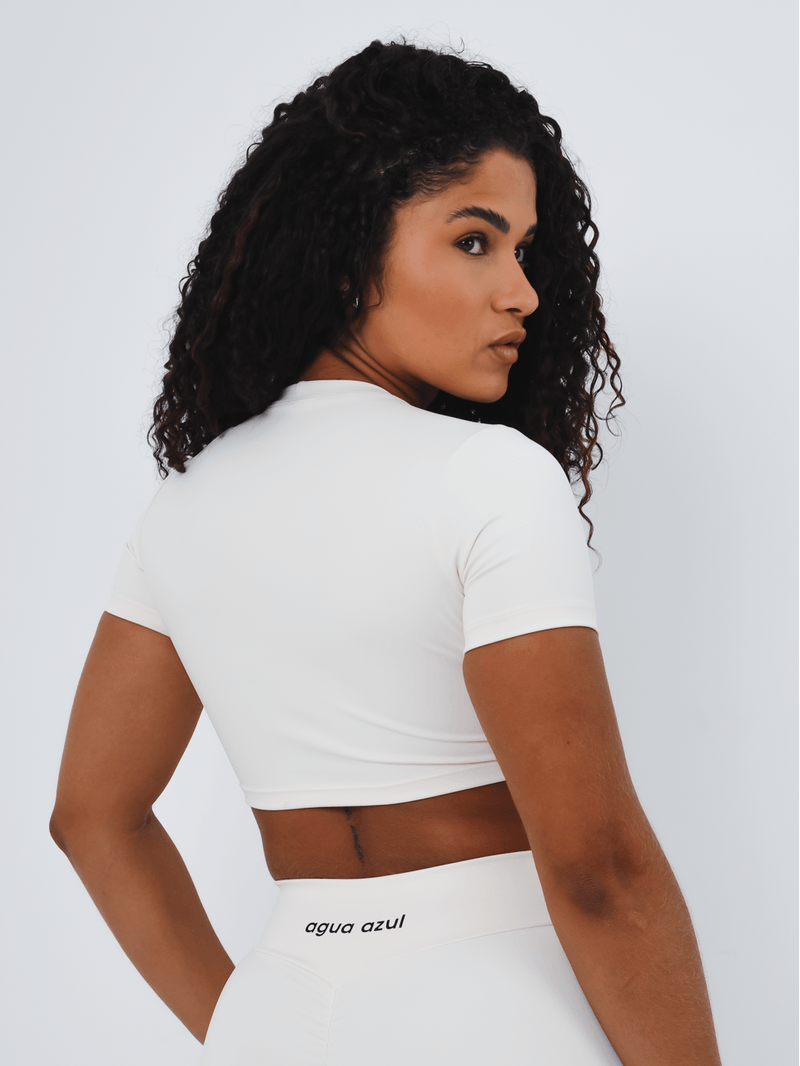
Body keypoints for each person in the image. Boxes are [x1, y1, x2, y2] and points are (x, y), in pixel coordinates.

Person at [49, 37, 723, 1065]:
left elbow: (91, 817)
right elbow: (597, 866)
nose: (522, 292)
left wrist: (239, 1030)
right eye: (474, 240)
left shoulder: (182, 507)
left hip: (280, 1008)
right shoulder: (491, 478)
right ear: (345, 245)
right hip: (494, 1006)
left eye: (524, 250)